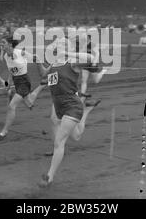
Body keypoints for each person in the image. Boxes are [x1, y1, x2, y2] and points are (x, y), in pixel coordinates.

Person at [37, 37, 101, 187]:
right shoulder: (54, 64)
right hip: (59, 106)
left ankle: (49, 177)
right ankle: (87, 111)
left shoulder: (73, 63)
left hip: (72, 105)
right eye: (58, 43)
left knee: (59, 142)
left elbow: (91, 58)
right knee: (77, 136)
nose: (59, 45)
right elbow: (43, 75)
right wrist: (39, 61)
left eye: (63, 44)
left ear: (69, 48)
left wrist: (67, 52)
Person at [0, 36, 47, 140]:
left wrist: (42, 70)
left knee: (11, 106)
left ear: (10, 44)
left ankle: (4, 131)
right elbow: (11, 71)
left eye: (3, 42)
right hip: (16, 81)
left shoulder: (21, 53)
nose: (1, 44)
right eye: (1, 43)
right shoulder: (6, 56)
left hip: (24, 81)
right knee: (29, 103)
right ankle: (42, 85)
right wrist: (9, 84)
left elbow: (36, 58)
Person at [75, 34, 107, 100]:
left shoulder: (93, 45)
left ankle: (103, 71)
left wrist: (94, 63)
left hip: (93, 64)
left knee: (96, 81)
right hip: (85, 64)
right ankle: (82, 96)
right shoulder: (83, 45)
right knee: (83, 80)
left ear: (89, 39)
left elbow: (97, 54)